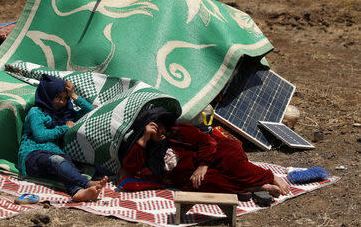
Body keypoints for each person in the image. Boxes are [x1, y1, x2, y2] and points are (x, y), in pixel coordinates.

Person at [121, 107, 290, 198]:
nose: (161, 131)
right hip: (190, 175)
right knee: (209, 183)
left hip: (214, 152)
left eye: (161, 126)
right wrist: (143, 139)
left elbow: (207, 141)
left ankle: (269, 176)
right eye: (155, 130)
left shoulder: (178, 132)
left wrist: (203, 165)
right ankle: (257, 186)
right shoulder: (149, 155)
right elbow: (131, 168)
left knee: (232, 163)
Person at [18, 74, 107, 202]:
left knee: (64, 166)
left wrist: (73, 95)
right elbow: (40, 136)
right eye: (58, 97)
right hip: (32, 155)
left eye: (65, 98)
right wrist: (64, 128)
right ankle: (87, 183)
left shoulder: (64, 114)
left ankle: (77, 192)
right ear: (48, 95)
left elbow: (91, 112)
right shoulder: (36, 112)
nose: (62, 102)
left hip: (56, 154)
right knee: (57, 161)